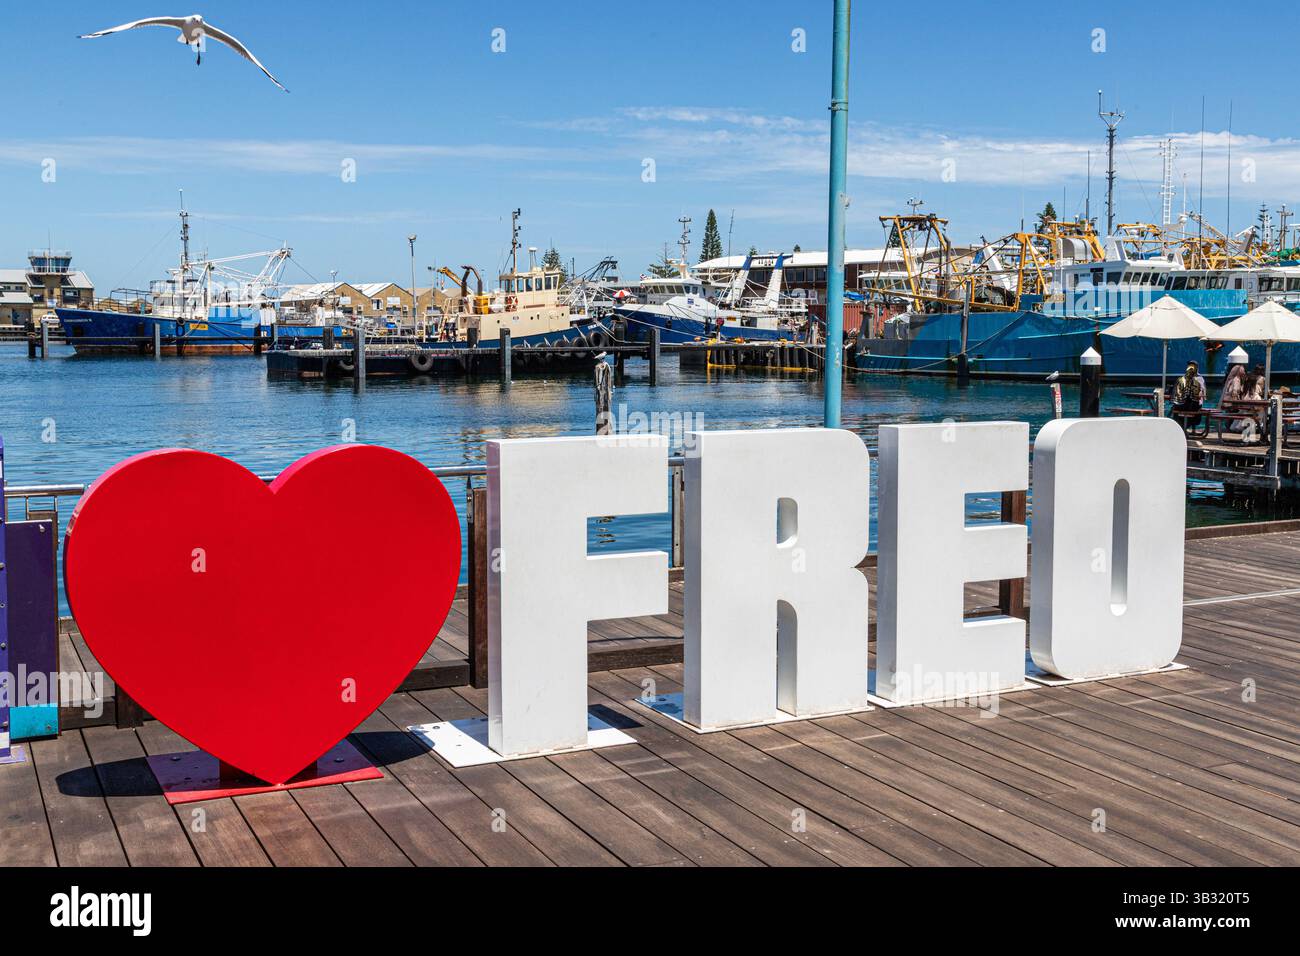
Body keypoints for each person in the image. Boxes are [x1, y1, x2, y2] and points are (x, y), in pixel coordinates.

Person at [1171, 361, 1206, 431]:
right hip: (1188, 404)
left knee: (1177, 407)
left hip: (1194, 405)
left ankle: (1180, 428)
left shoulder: (1199, 379)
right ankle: (1180, 427)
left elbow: (1201, 395)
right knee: (1176, 406)